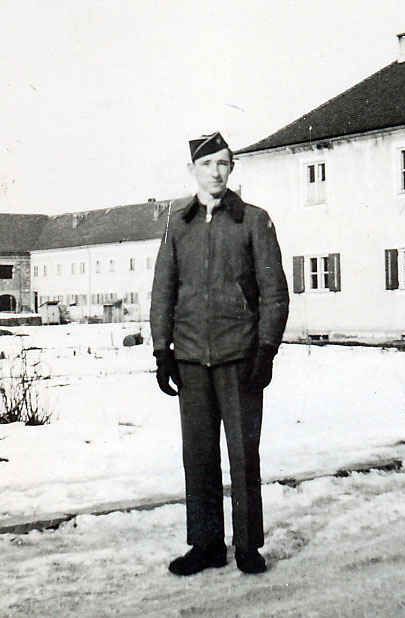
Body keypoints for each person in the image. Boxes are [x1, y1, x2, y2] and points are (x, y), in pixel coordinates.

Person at [150, 131, 289, 576]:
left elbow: (274, 292)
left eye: (224, 164)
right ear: (192, 170)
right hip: (191, 358)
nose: (215, 172)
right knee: (199, 457)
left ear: (231, 170)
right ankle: (206, 543)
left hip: (239, 357)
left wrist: (266, 348)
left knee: (243, 455)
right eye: (207, 164)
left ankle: (247, 545)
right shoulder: (178, 222)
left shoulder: (253, 220)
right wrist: (161, 350)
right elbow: (163, 290)